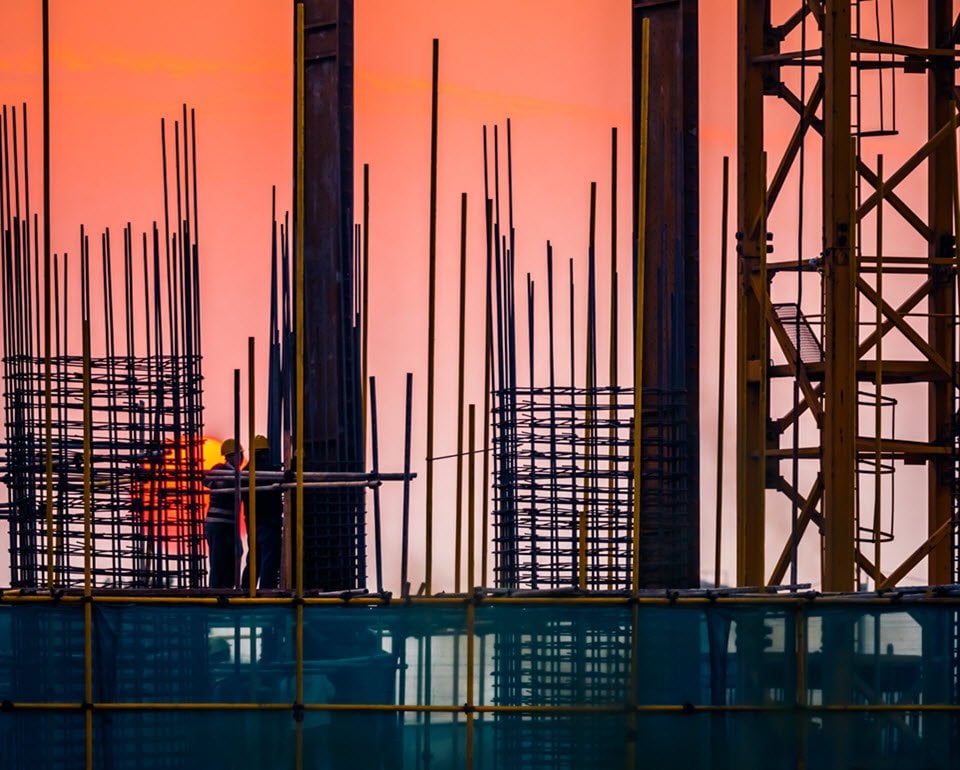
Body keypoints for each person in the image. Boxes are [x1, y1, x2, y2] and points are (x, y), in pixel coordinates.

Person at [241, 434, 283, 589]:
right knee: (269, 559)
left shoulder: (245, 472)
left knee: (254, 559)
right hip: (268, 522)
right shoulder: (268, 471)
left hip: (252, 522)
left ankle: (245, 589)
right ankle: (267, 590)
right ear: (265, 453)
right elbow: (283, 479)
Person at [204, 438, 244, 588]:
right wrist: (222, 482)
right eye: (238, 454)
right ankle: (216, 592)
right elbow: (206, 480)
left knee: (235, 555)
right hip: (218, 525)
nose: (241, 458)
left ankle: (227, 589)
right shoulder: (220, 469)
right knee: (219, 561)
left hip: (229, 525)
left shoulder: (237, 474)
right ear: (229, 456)